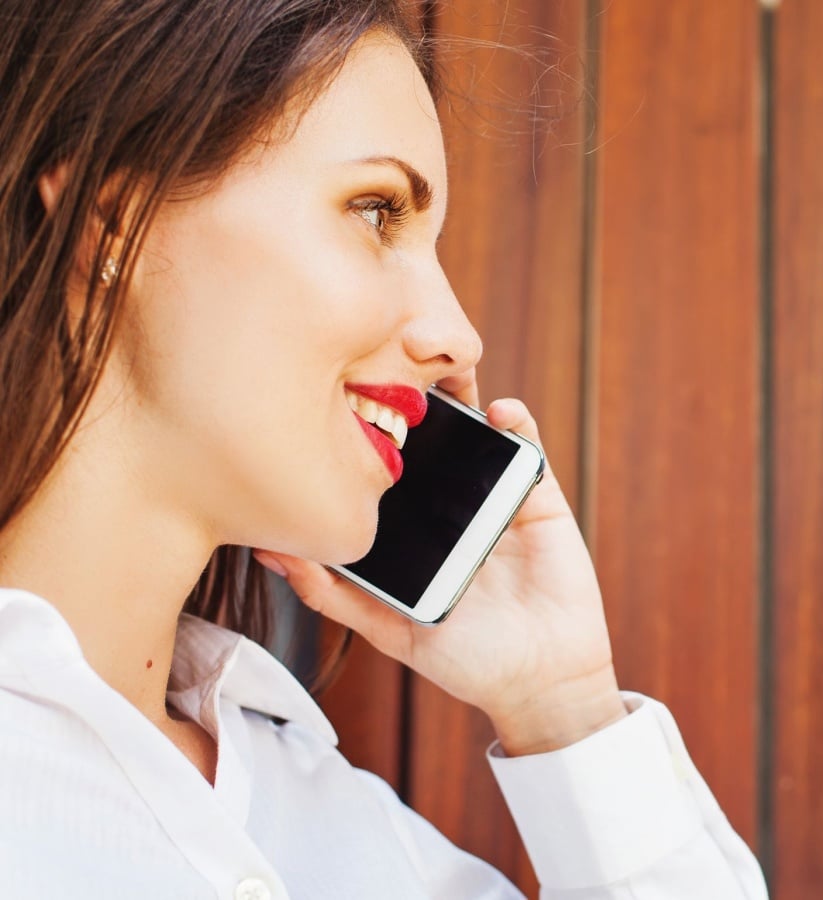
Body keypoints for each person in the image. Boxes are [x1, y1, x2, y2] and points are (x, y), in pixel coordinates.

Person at [0, 1, 767, 897]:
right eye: (375, 212)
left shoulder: (337, 823)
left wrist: (563, 707)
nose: (456, 337)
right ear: (116, 226)